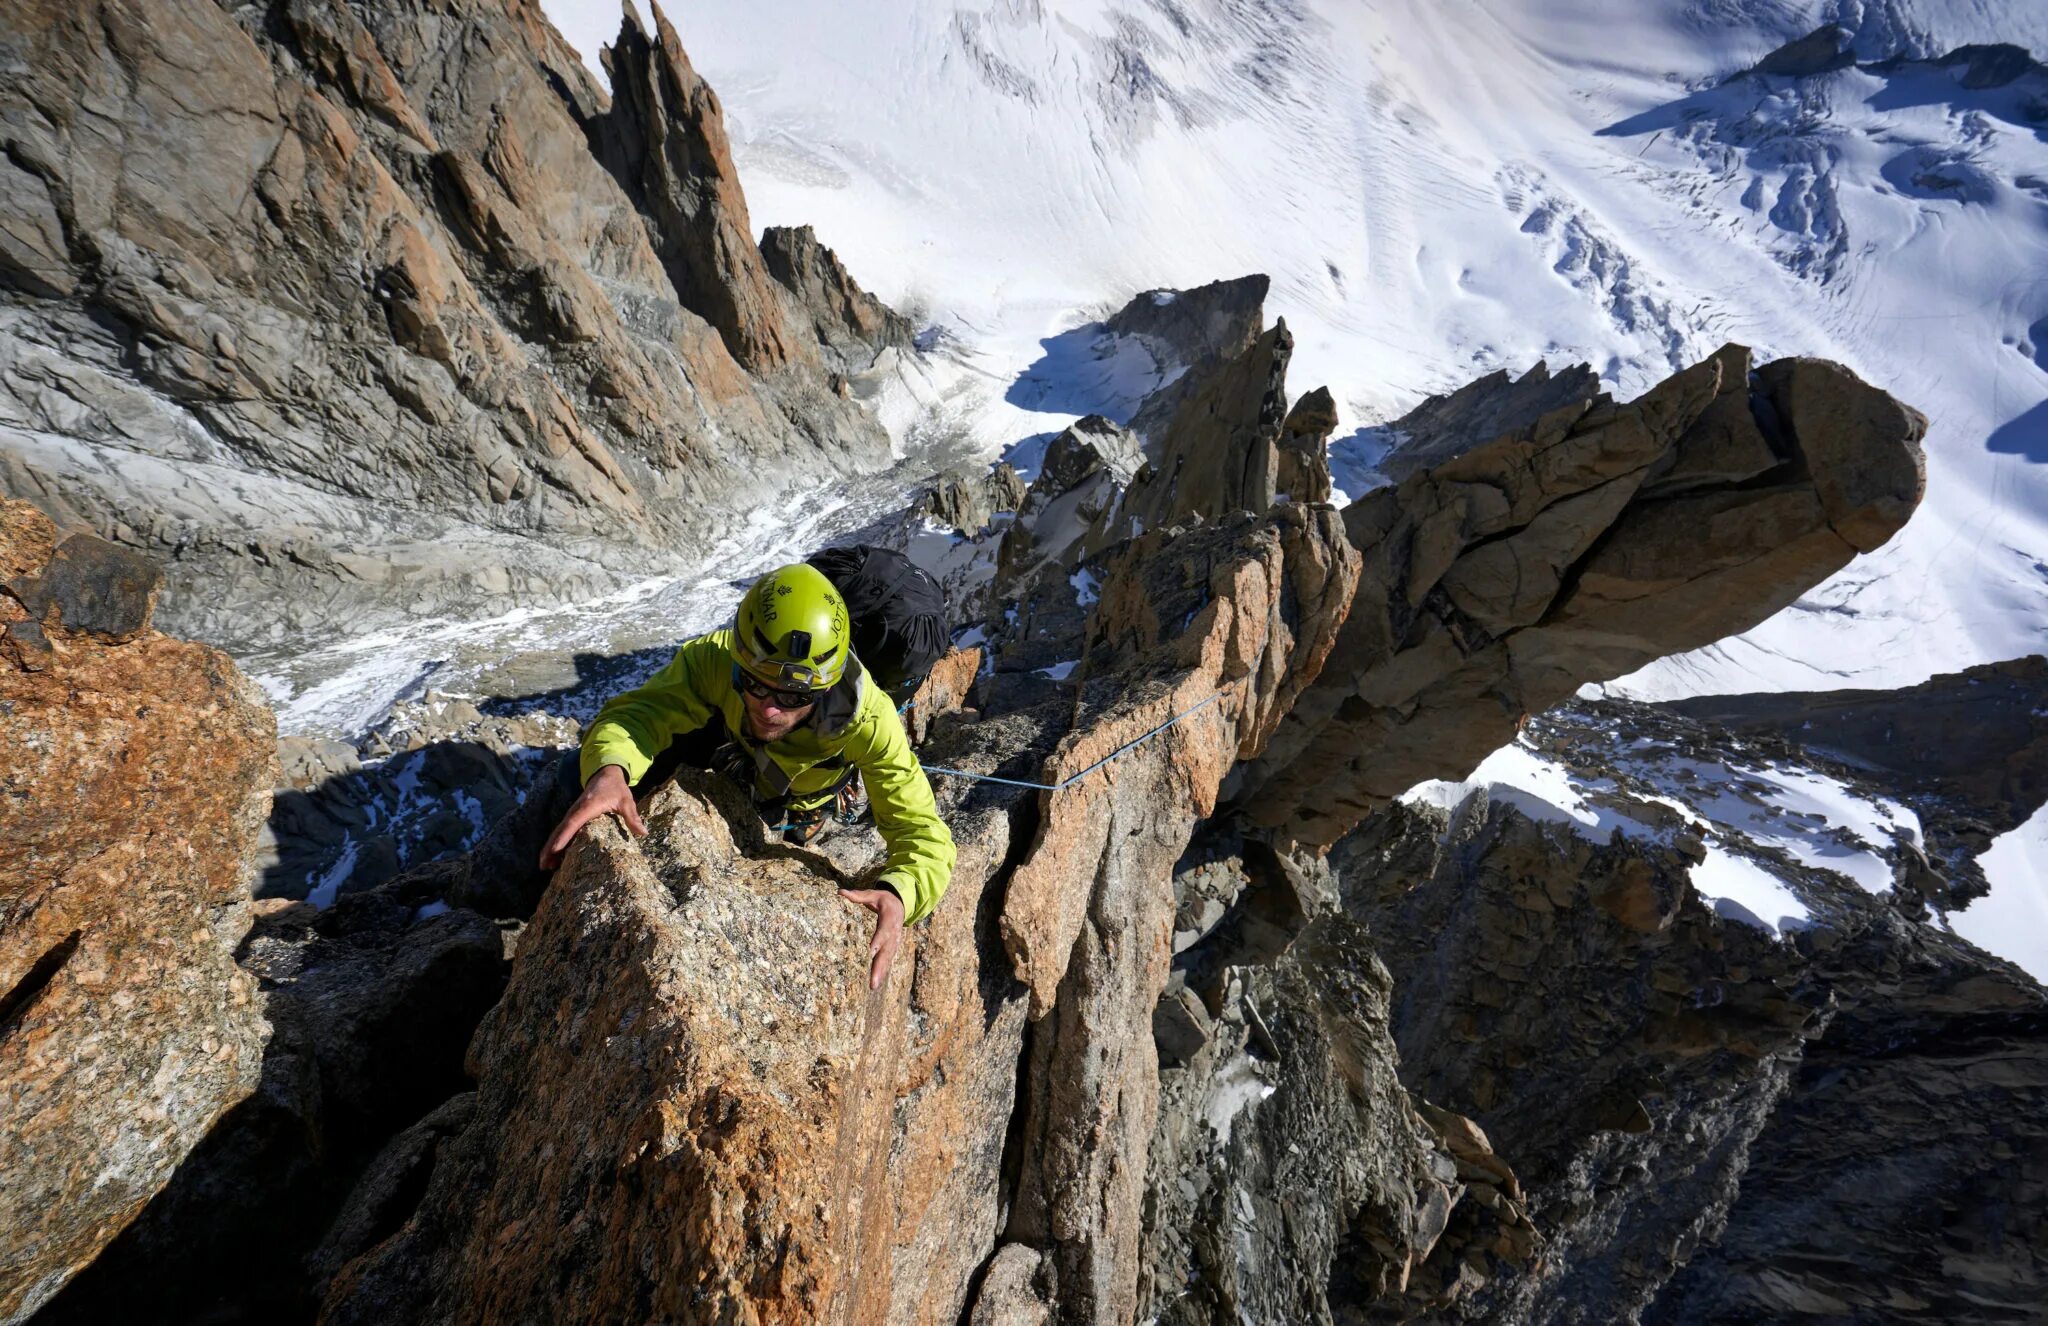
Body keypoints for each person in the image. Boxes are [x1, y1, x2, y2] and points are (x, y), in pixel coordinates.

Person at [537, 563, 954, 990]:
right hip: (731, 752)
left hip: (794, 795)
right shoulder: (716, 658)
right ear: (740, 661)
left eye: (794, 696)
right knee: (574, 772)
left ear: (826, 688)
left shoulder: (870, 721)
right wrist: (609, 771)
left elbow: (923, 832)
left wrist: (901, 893)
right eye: (756, 684)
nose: (771, 709)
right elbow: (640, 713)